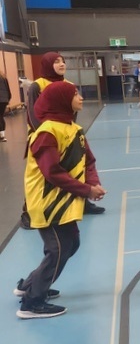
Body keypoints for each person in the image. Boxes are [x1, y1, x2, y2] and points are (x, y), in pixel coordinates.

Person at [16, 81, 106, 318]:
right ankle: (32, 302)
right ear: (61, 100)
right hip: (47, 202)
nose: (81, 97)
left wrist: (93, 182)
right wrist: (86, 190)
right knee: (58, 249)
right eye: (75, 94)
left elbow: (88, 160)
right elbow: (52, 173)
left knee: (71, 244)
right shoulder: (46, 133)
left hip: (64, 201)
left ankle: (30, 284)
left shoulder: (73, 129)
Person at [23, 52, 104, 226]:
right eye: (56, 62)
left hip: (67, 136)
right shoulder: (38, 85)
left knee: (76, 168)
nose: (61, 64)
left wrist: (70, 133)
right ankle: (29, 212)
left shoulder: (68, 84)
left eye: (63, 61)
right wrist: (50, 134)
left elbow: (70, 113)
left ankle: (83, 200)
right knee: (42, 175)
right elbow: (33, 114)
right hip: (48, 138)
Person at [0, 69, 10, 142]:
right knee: (1, 116)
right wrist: (7, 99)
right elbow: (8, 90)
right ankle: (2, 135)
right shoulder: (3, 77)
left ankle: (1, 136)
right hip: (4, 100)